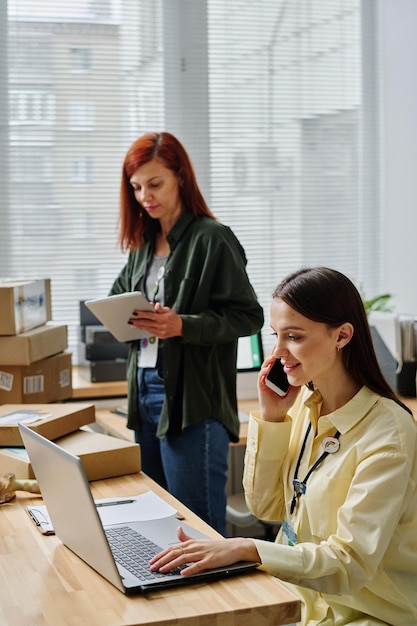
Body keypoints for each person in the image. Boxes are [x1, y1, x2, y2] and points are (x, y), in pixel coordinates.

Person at [149, 267, 417, 625]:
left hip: (367, 614)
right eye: (276, 335)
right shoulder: (306, 407)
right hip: (294, 599)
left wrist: (246, 548)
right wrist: (272, 416)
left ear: (342, 335)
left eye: (294, 336)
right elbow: (267, 506)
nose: (277, 352)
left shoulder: (388, 434)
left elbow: (349, 565)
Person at [109, 131, 264, 537]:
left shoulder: (213, 239)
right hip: (143, 390)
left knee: (197, 531)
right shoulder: (143, 244)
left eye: (155, 183)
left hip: (192, 399)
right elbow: (119, 299)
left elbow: (249, 317)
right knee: (157, 523)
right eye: (137, 186)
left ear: (181, 177)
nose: (145, 195)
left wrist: (183, 325)